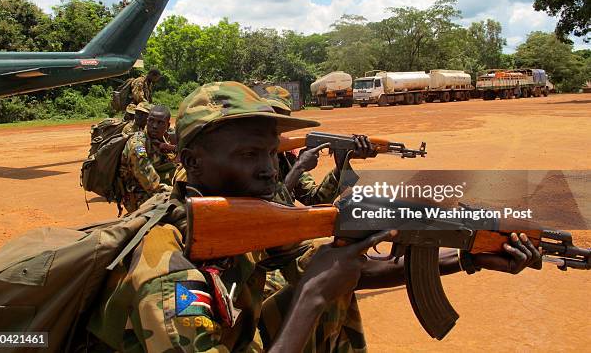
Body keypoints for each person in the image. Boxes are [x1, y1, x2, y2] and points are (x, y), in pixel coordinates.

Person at [87, 81, 542, 352]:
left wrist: (466, 257)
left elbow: (344, 271)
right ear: (194, 162)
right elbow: (315, 282)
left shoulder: (250, 215)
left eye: (271, 152)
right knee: (318, 295)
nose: (268, 169)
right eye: (249, 154)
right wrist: (309, 295)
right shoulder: (169, 277)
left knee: (333, 290)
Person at [118, 104, 177, 213]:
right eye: (151, 121)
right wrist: (176, 193)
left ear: (167, 126)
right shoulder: (137, 145)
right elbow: (151, 184)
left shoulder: (163, 139)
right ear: (147, 121)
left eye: (160, 123)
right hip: (138, 196)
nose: (154, 126)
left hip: (156, 189)